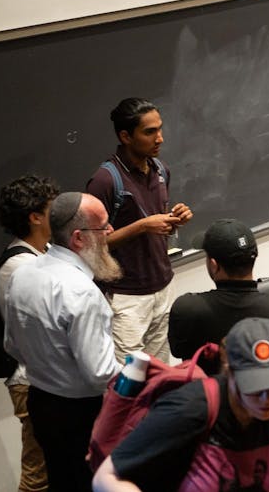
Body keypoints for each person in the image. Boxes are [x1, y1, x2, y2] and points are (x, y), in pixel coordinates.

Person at [92, 317, 269, 492]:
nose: (266, 399)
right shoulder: (190, 408)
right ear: (230, 372)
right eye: (254, 387)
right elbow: (105, 477)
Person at [4, 192, 122, 492]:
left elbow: (12, 346)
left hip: (41, 405)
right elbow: (99, 374)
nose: (110, 232)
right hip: (80, 417)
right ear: (79, 238)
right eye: (104, 226)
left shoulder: (23, 273)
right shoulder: (81, 291)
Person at [86, 97, 194, 363]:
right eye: (150, 132)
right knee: (129, 383)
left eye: (160, 129)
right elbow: (90, 244)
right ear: (125, 136)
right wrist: (143, 226)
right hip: (125, 296)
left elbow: (157, 222)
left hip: (163, 285)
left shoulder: (161, 170)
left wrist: (174, 219)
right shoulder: (104, 181)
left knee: (159, 375)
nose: (160, 138)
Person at [0, 174, 59, 492]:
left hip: (41, 378)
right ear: (35, 217)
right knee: (38, 472)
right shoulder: (20, 267)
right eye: (51, 209)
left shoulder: (39, 255)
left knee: (51, 466)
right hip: (30, 383)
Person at [169, 218, 269, 372]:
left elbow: (178, 350)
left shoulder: (187, 310)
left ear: (214, 265)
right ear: (254, 257)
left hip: (207, 394)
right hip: (268, 395)